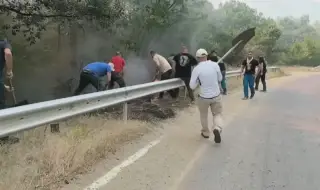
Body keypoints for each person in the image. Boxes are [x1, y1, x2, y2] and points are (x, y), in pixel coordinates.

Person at [189, 48, 223, 143]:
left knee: (203, 115)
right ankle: (217, 128)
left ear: (198, 58)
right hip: (216, 95)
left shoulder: (197, 69)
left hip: (203, 97)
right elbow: (220, 78)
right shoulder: (215, 65)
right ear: (207, 56)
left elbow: (192, 86)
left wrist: (198, 82)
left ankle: (206, 132)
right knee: (217, 114)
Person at [0, 39, 18, 144]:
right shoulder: (4, 43)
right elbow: (8, 53)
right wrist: (9, 70)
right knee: (2, 109)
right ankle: (3, 139)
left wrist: (4, 87)